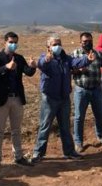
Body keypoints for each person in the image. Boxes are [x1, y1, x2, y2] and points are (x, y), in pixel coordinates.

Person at [30, 35, 94, 163]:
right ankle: (38, 153)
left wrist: (87, 59)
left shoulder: (66, 58)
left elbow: (76, 62)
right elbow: (41, 64)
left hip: (64, 97)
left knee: (65, 126)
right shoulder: (46, 58)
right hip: (49, 98)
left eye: (59, 43)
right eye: (54, 44)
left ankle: (69, 152)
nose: (57, 46)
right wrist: (47, 60)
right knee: (45, 125)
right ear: (48, 47)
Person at [0, 32, 37, 169]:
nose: (13, 44)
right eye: (10, 42)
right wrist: (6, 67)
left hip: (17, 98)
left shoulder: (19, 58)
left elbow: (28, 72)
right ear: (5, 42)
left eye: (15, 42)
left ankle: (18, 157)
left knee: (16, 129)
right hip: (1, 99)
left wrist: (33, 66)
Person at [71, 32, 102, 152]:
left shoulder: (97, 53)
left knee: (99, 115)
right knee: (79, 117)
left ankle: (101, 136)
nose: (87, 43)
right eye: (85, 41)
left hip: (96, 89)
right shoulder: (75, 54)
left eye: (89, 41)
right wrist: (79, 70)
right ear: (80, 42)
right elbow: (70, 70)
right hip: (81, 90)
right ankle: (78, 142)